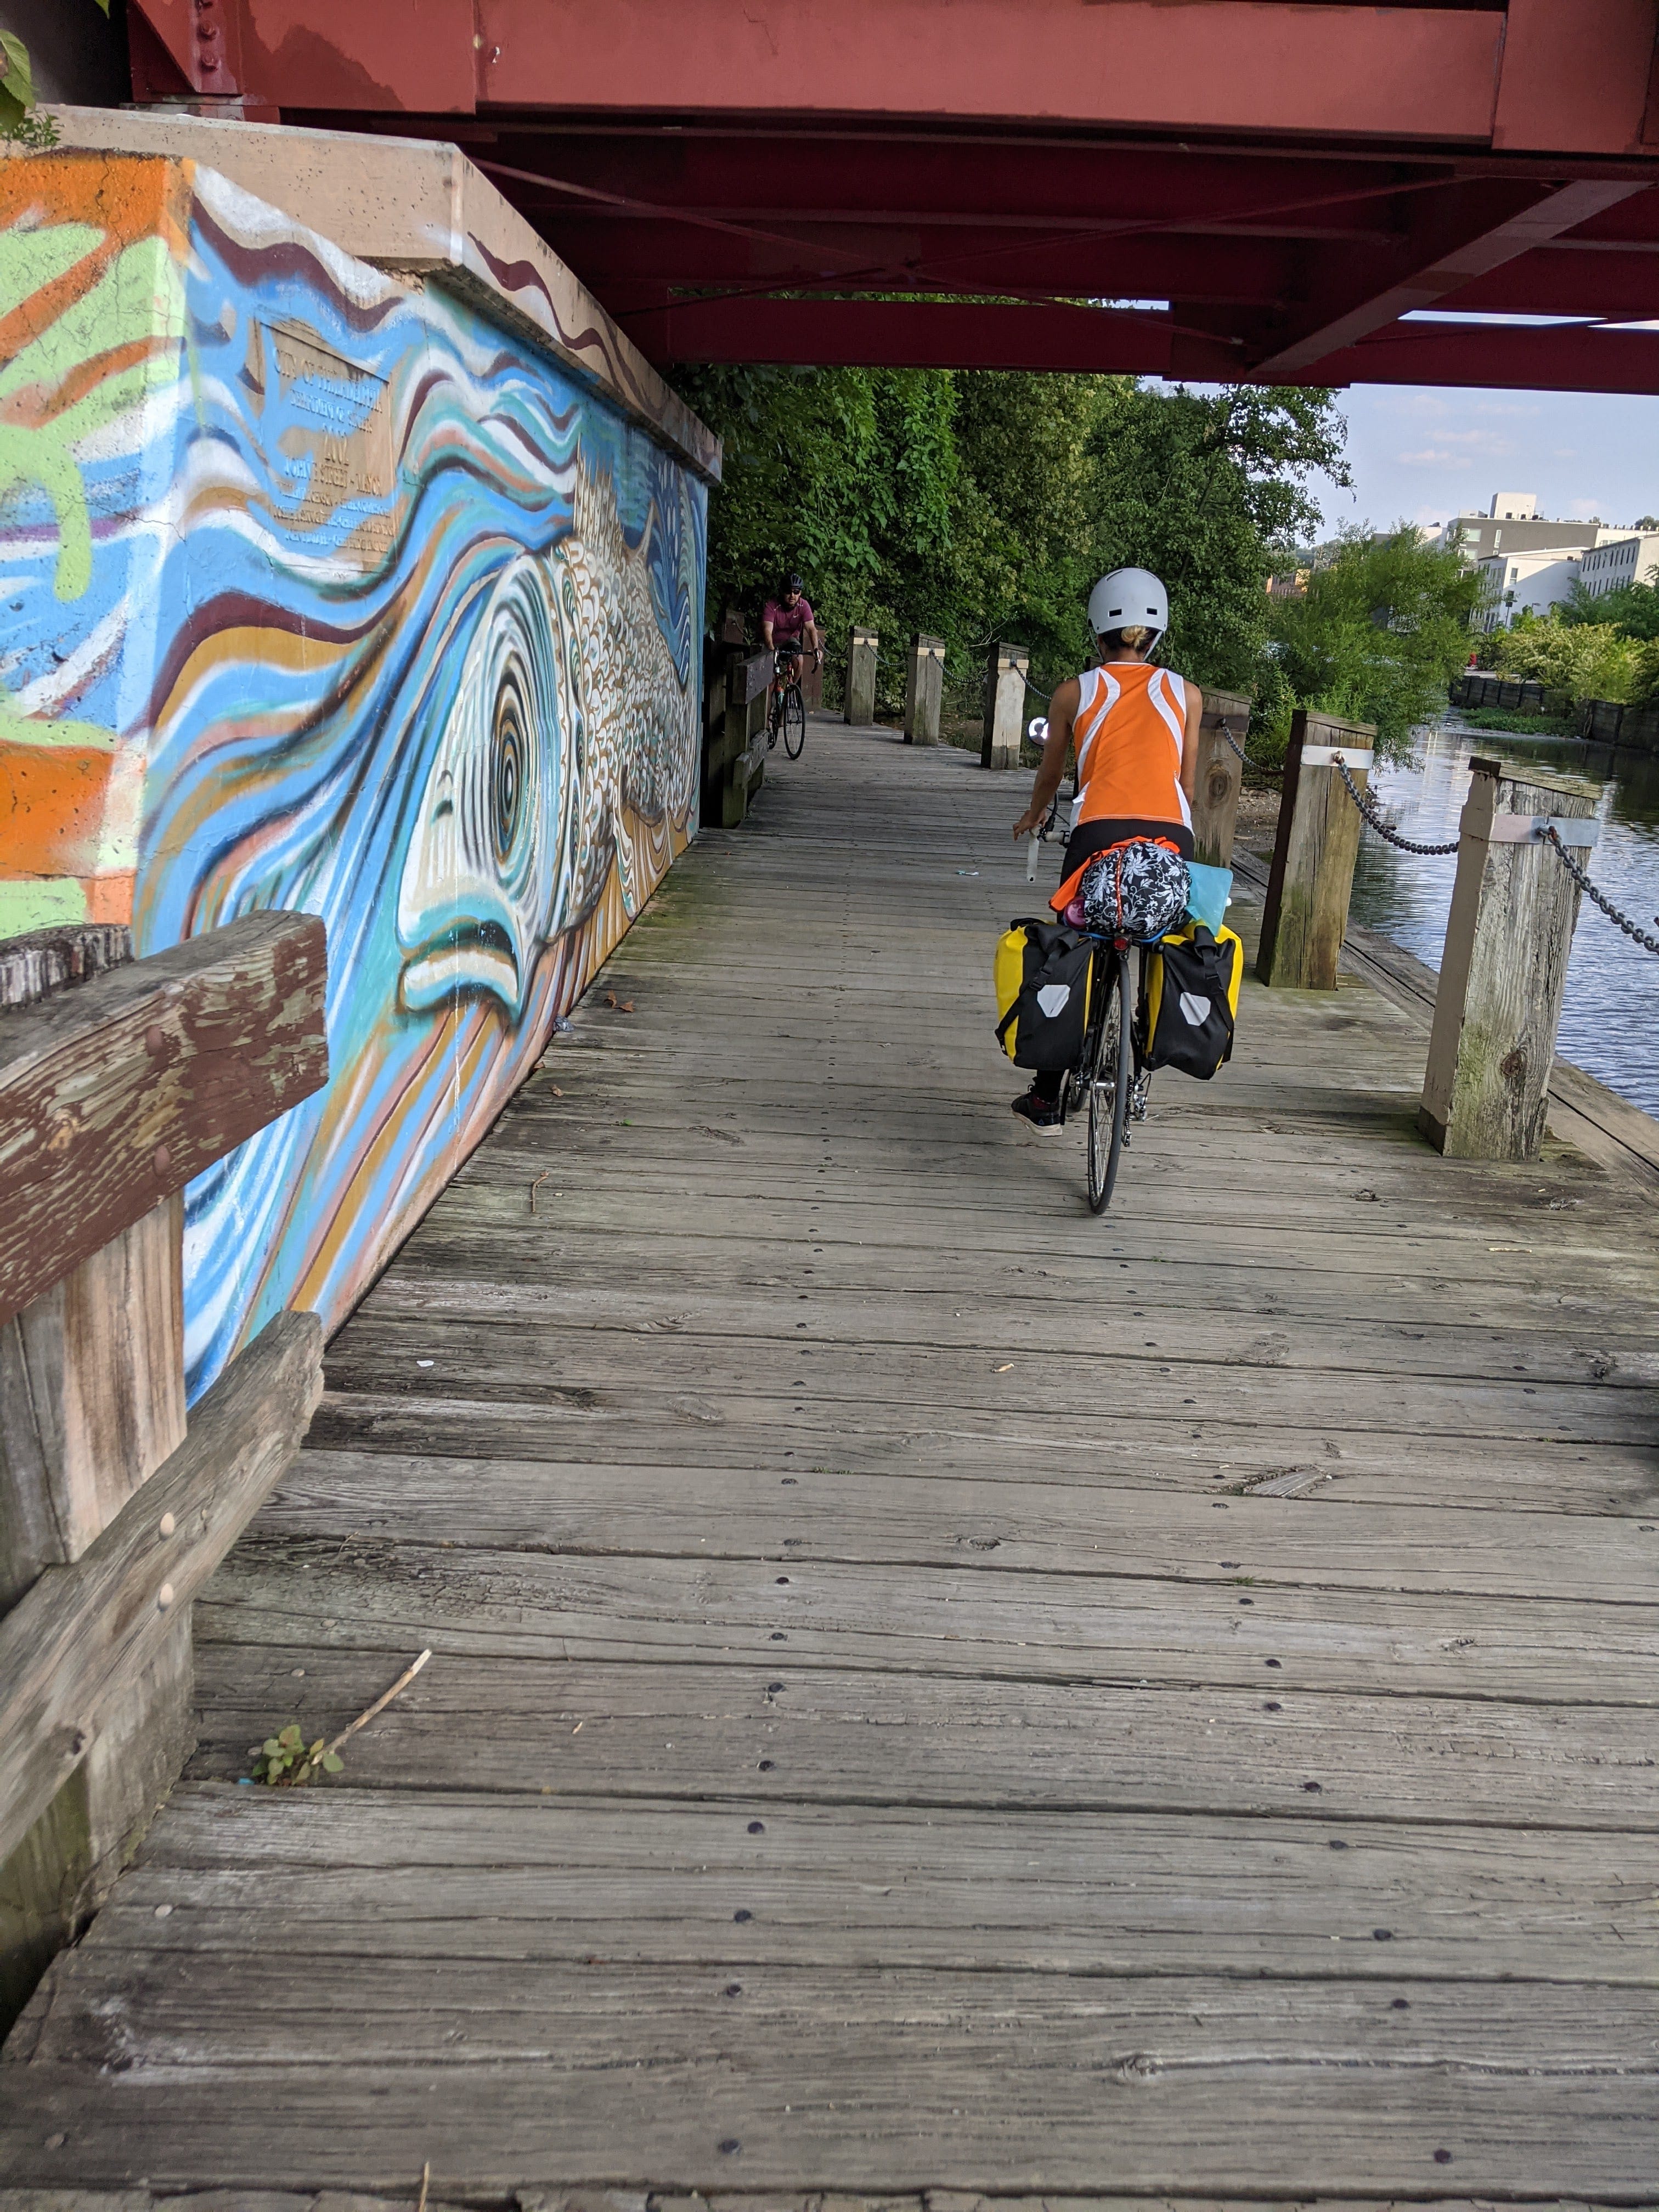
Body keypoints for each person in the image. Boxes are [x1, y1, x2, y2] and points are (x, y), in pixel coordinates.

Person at [1008, 567, 1201, 1131]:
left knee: (1069, 941)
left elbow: (1050, 776)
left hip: (1097, 830)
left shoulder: (1074, 692)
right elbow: (1185, 785)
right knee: (1162, 931)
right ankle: (1148, 1036)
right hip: (1171, 832)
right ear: (1158, 632)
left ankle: (1047, 1094)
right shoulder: (1186, 694)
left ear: (1097, 632)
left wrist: (1034, 815)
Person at [761, 573, 822, 695]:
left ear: (800, 593)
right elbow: (767, 630)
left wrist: (816, 648)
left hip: (790, 641)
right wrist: (772, 649)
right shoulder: (772, 606)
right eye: (788, 592)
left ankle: (788, 690)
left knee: (799, 659)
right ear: (782, 591)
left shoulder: (803, 605)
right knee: (771, 684)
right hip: (773, 643)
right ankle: (768, 709)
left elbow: (811, 628)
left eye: (796, 591)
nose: (792, 596)